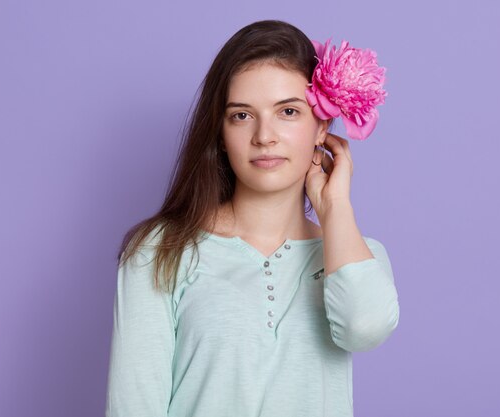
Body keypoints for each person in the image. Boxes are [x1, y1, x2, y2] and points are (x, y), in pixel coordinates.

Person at [105, 19, 400, 417]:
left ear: (321, 127)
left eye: (288, 111)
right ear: (221, 133)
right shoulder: (160, 250)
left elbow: (364, 329)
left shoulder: (358, 257)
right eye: (242, 115)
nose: (264, 136)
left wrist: (336, 209)